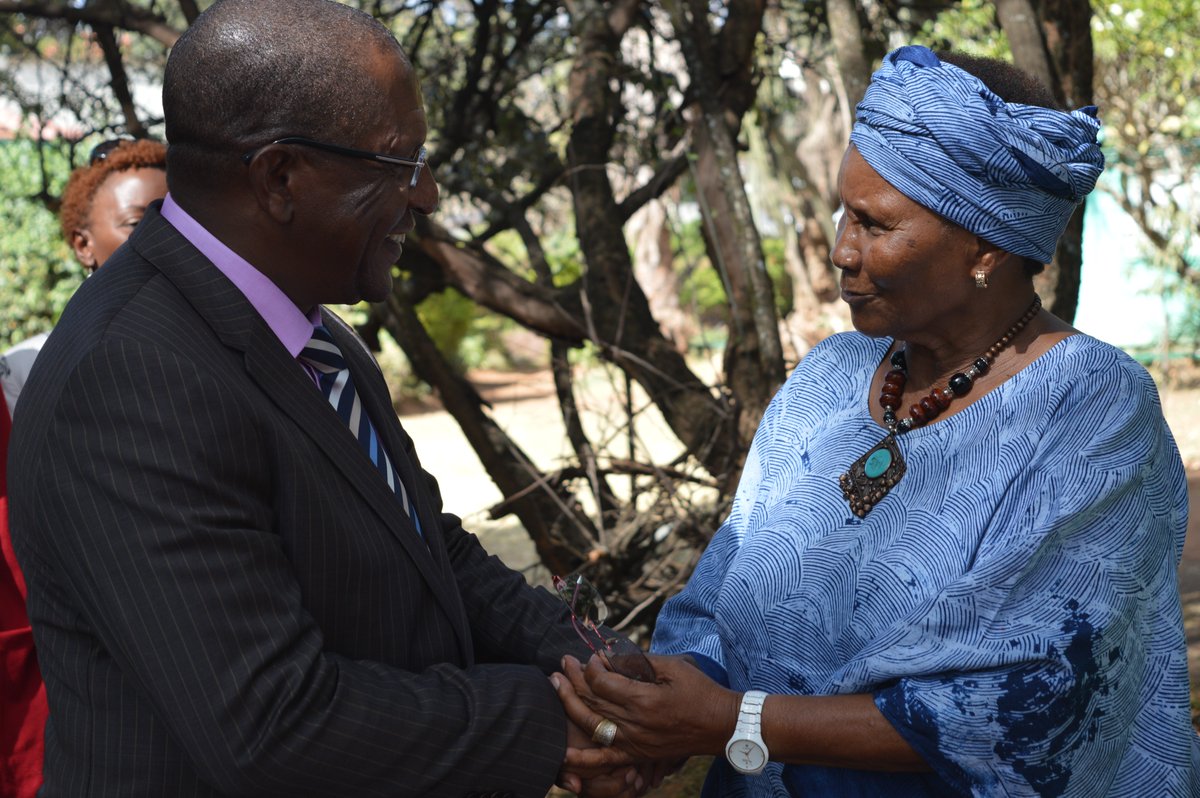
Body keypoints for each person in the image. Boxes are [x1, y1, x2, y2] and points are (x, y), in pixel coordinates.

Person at [7, 2, 636, 796]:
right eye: (400, 164)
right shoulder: (131, 378)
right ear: (280, 177)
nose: (428, 195)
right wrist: (566, 724)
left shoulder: (318, 337)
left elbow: (423, 546)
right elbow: (274, 724)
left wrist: (604, 667)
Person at [553, 45, 1199, 796]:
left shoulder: (1091, 407)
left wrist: (734, 721)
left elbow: (1035, 697)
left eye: (874, 224)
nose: (840, 251)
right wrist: (652, 710)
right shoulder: (829, 379)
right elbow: (721, 595)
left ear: (984, 246)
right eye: (842, 212)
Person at [0, 137, 167, 798]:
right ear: (82, 244)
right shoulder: (30, 374)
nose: (165, 240)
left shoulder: (271, 348)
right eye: (138, 222)